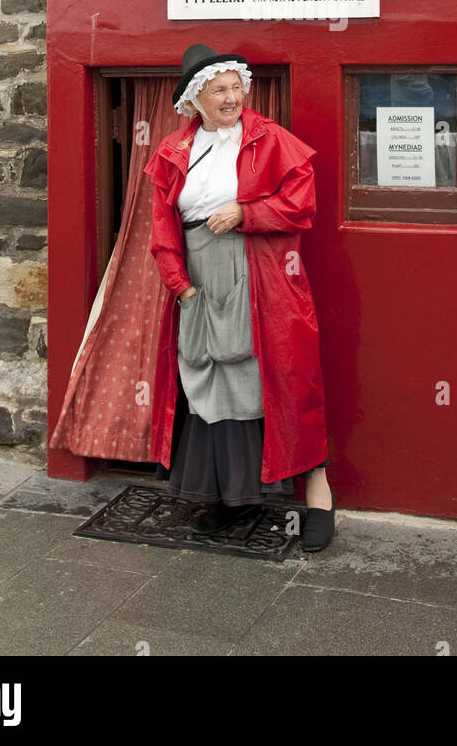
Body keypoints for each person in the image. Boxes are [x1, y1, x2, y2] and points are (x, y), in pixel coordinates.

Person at [142, 43, 335, 551]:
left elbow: (302, 200)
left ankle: (319, 498)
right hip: (201, 276)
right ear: (195, 100)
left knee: (279, 377)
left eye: (235, 88)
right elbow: (162, 228)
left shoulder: (268, 139)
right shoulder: (172, 152)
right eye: (218, 91)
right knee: (209, 375)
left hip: (262, 274)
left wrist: (248, 214)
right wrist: (179, 285)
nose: (231, 98)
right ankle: (231, 499)